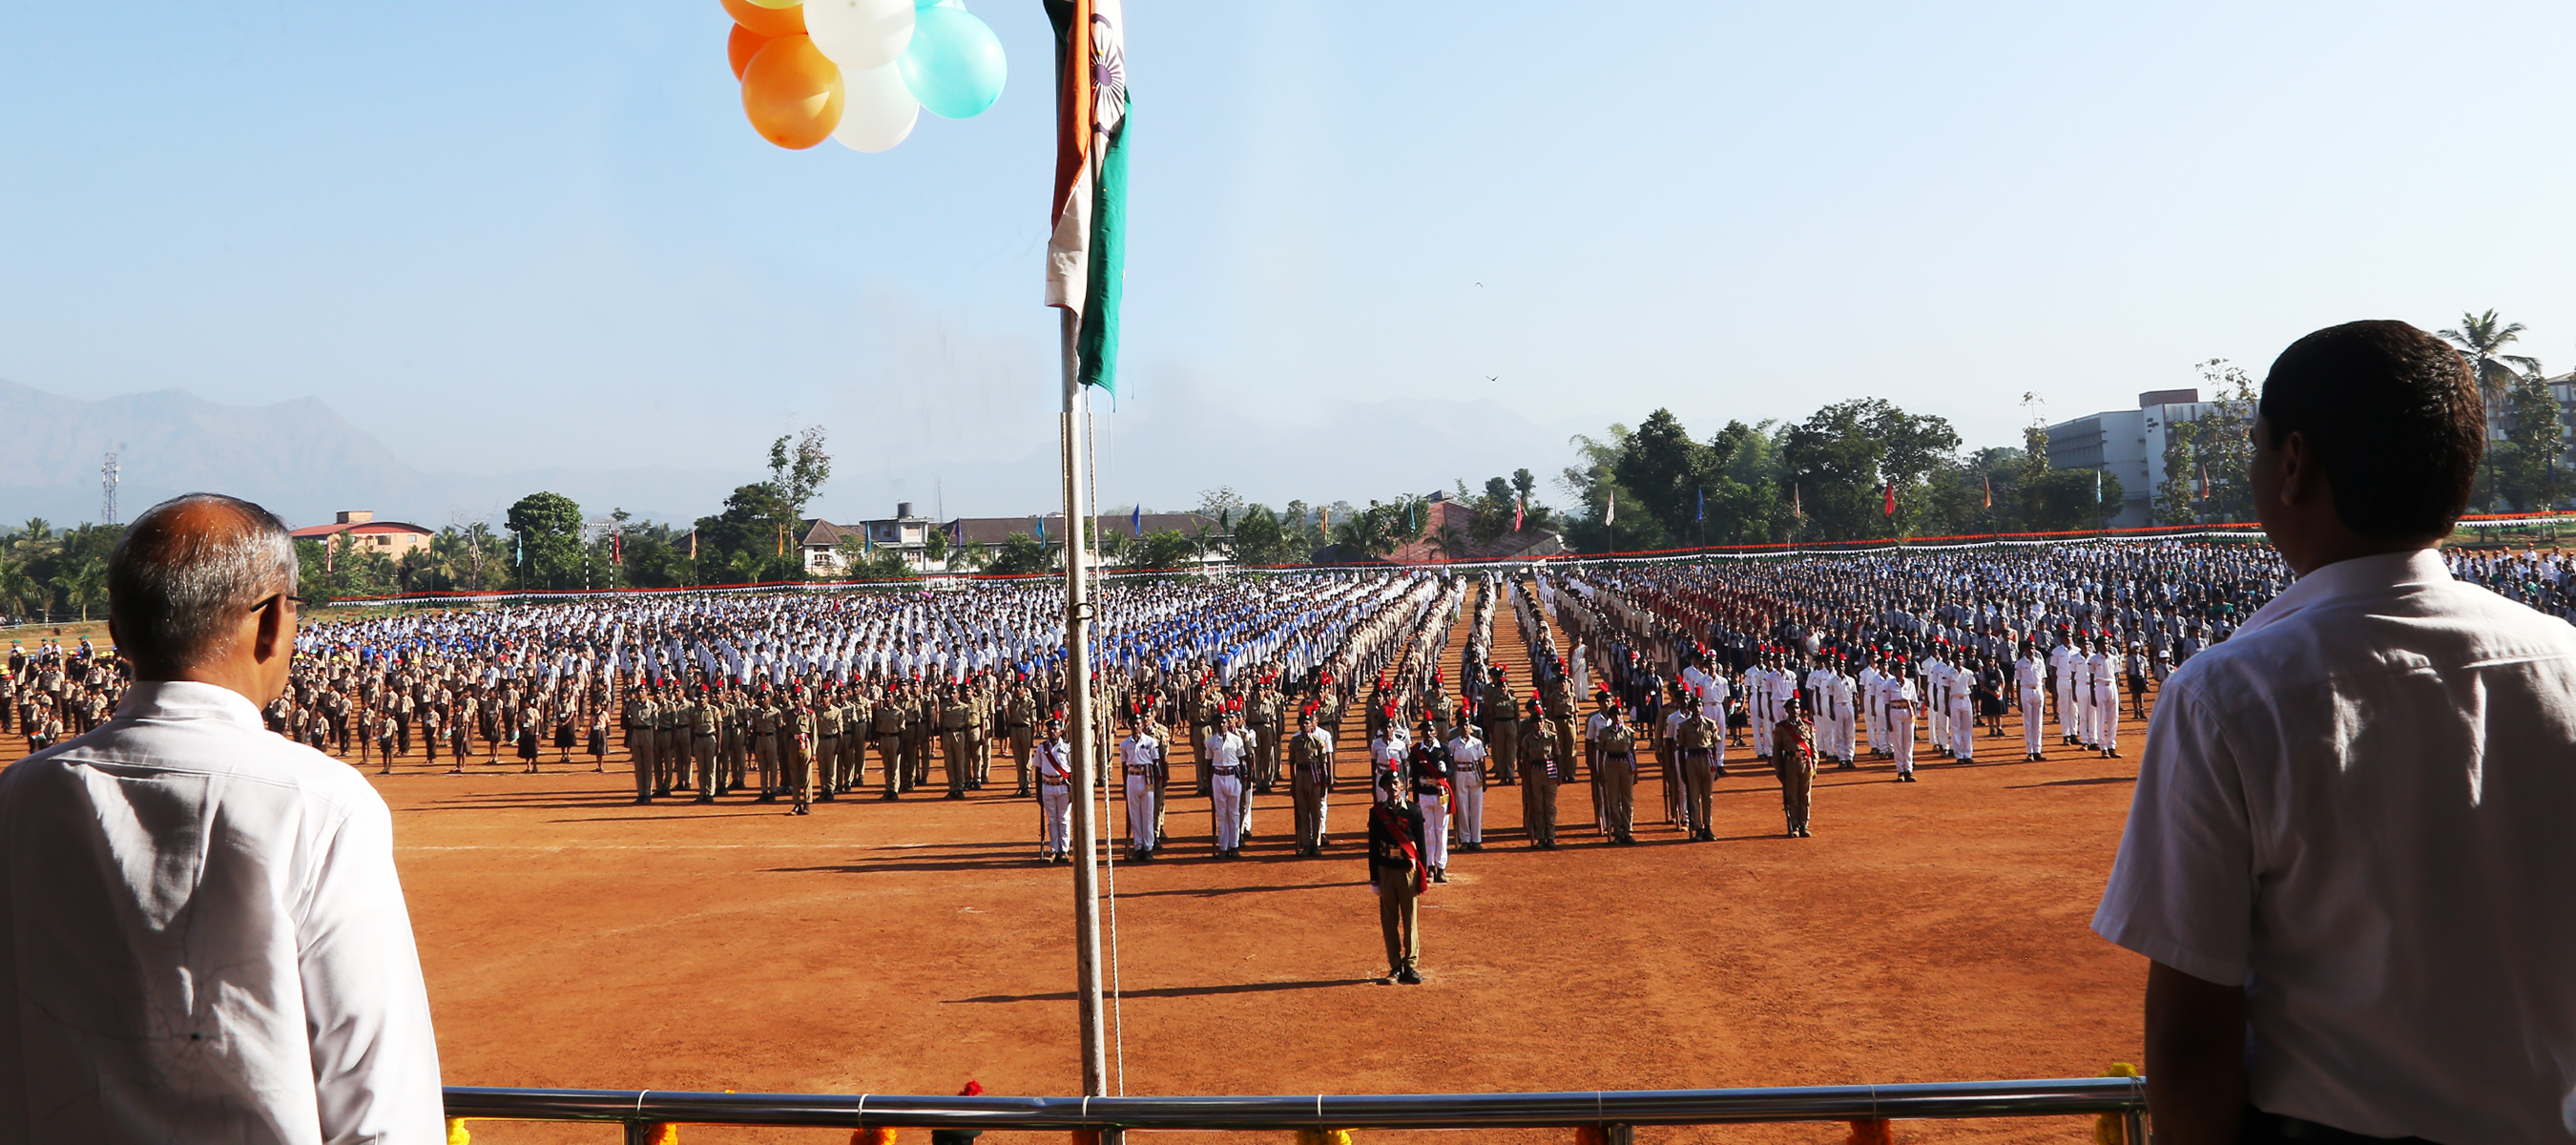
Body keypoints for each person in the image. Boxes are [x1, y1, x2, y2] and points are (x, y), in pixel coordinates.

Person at [2094, 321, 2576, 1145]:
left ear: (2294, 464)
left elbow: (2190, 1034)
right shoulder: (2563, 659)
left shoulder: (2228, 694)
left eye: (2254, 447)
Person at [0, 493, 445, 1141]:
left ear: (117, 633)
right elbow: (380, 1101)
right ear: (273, 624)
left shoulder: (20, 795)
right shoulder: (318, 802)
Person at [1367, 766, 1428, 986]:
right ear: (1383, 788)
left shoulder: (1414, 811)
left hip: (1406, 870)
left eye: (1396, 783)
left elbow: (1421, 845)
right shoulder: (1377, 813)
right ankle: (1395, 966)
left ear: (1402, 785)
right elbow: (1373, 847)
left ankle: (1410, 965)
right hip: (1386, 869)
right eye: (1388, 784)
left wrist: (1423, 873)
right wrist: (1374, 878)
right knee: (1389, 919)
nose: (1393, 787)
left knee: (1410, 918)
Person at [1774, 695, 1816, 838]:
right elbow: (1776, 751)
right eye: (1792, 708)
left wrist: (1814, 766)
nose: (1795, 710)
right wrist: (1779, 770)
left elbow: (1813, 748)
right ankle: (1794, 825)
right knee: (1791, 796)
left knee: (1805, 796)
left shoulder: (1808, 726)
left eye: (1797, 708)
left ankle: (1804, 824)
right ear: (1787, 710)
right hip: (1789, 764)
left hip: (1805, 763)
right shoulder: (1781, 728)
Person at [1033, 718, 1072, 862]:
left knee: (1064, 819)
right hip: (1047, 786)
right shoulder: (1041, 748)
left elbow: (1073, 770)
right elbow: (1038, 770)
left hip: (1063, 786)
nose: (1052, 732)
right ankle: (1054, 849)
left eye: (1055, 729)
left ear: (1061, 731)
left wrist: (1073, 791)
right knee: (1052, 820)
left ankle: (1064, 850)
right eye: (1050, 729)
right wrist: (1038, 792)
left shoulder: (1068, 747)